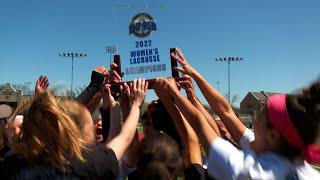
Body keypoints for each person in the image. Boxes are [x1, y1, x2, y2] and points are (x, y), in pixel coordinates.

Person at [160, 48, 320, 179]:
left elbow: (200, 125)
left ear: (273, 135)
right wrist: (195, 75)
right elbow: (226, 111)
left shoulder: (250, 172)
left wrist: (173, 94)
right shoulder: (302, 168)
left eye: (260, 116)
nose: (254, 122)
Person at [0, 78, 148, 179]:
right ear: (75, 133)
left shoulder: (12, 162)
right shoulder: (88, 164)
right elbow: (124, 138)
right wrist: (135, 105)